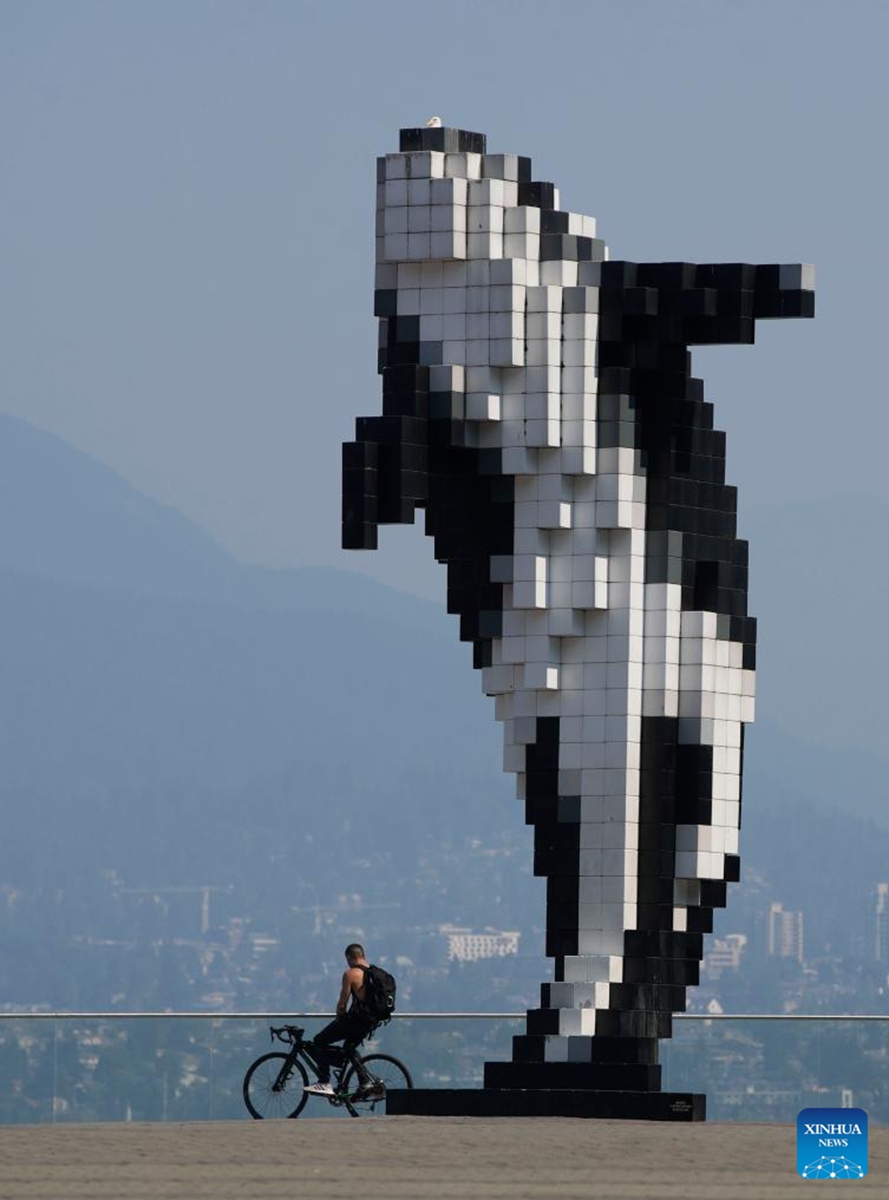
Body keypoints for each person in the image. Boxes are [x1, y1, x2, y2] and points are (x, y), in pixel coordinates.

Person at [304, 943, 379, 1096]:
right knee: (349, 1048)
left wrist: (339, 1019)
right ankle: (365, 1082)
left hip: (356, 1021)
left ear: (350, 958)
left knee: (319, 1040)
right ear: (363, 955)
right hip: (371, 1021)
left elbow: (342, 1004)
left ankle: (324, 1081)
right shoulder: (375, 973)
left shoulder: (351, 974)